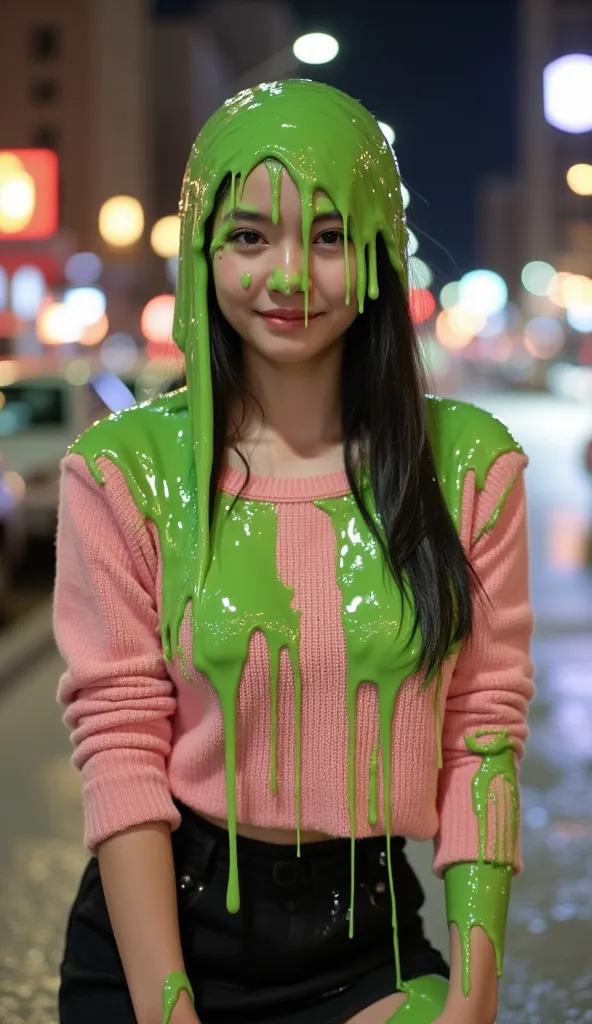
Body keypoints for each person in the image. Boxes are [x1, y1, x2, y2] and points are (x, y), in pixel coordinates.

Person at [53, 79, 535, 1024]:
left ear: (380, 251)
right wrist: (166, 1009)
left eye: (325, 236)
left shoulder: (471, 465)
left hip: (371, 946)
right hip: (161, 939)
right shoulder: (122, 473)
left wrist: (473, 1005)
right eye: (247, 236)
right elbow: (120, 741)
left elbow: (483, 732)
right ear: (202, 254)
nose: (286, 275)